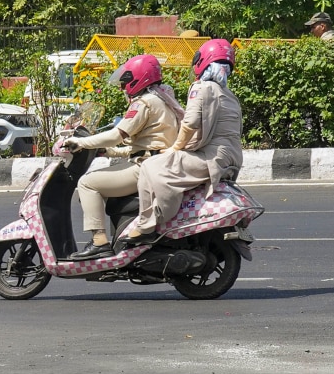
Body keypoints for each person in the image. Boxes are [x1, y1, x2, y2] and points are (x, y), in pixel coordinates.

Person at [121, 39, 243, 245]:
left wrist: (174, 148)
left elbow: (191, 122)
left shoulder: (202, 87)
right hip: (231, 157)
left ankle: (147, 224)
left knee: (150, 165)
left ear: (202, 61)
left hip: (210, 157)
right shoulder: (230, 95)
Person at [63, 54, 184, 259]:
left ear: (138, 78)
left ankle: (99, 242)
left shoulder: (144, 103)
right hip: (156, 164)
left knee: (87, 183)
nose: (123, 87)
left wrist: (81, 142)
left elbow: (116, 135)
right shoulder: (163, 98)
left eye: (126, 82)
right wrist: (108, 152)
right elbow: (146, 145)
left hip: (146, 168)